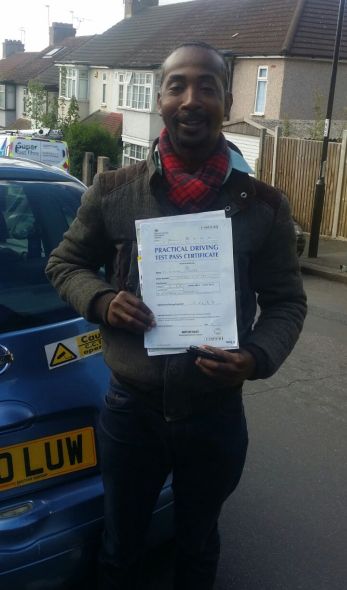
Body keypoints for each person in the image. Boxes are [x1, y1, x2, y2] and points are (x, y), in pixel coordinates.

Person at [46, 41, 307, 590]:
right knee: (121, 549)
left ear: (227, 99)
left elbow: (286, 301)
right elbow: (65, 263)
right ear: (161, 98)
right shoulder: (114, 192)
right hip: (131, 413)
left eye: (207, 86)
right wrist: (101, 300)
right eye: (177, 85)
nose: (192, 98)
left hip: (214, 417)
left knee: (197, 547)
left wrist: (257, 356)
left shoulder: (263, 205)